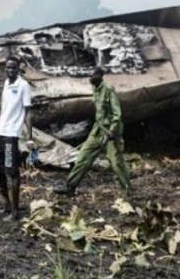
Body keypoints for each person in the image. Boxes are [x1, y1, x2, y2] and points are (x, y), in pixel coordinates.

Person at [54, 67, 131, 197]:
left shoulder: (108, 89)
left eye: (93, 76)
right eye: (89, 76)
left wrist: (112, 131)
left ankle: (128, 190)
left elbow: (117, 113)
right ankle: (70, 187)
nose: (90, 78)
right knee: (83, 157)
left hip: (110, 134)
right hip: (97, 131)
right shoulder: (95, 89)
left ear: (100, 76)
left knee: (117, 163)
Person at [0, 55, 33, 221]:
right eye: (8, 68)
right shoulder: (6, 84)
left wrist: (29, 137)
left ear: (18, 68)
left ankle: (15, 212)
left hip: (12, 135)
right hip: (2, 133)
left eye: (13, 68)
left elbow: (28, 112)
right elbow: (4, 113)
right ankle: (6, 204)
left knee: (12, 172)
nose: (10, 71)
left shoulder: (23, 86)